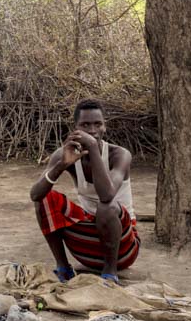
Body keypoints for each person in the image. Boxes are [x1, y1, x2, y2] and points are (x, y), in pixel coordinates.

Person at [29, 99, 139, 284]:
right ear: (76, 128)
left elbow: (107, 195)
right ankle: (63, 268)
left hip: (122, 247)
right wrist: (62, 164)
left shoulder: (119, 155)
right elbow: (35, 195)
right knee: (46, 197)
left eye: (98, 124)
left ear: (105, 127)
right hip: (87, 245)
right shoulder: (65, 154)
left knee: (107, 206)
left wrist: (93, 149)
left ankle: (110, 274)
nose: (92, 130)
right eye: (85, 125)